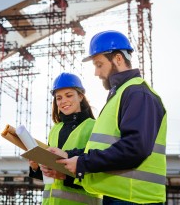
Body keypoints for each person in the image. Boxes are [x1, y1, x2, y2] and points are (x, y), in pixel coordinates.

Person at [52, 30, 167, 204]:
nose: (96, 73)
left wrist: (83, 163)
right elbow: (106, 147)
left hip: (135, 198)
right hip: (120, 196)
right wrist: (67, 154)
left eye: (99, 65)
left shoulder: (138, 93)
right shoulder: (121, 94)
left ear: (118, 59)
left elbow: (135, 148)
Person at [29, 72, 102, 204]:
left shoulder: (95, 127)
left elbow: (98, 170)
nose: (63, 101)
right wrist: (36, 167)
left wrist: (64, 176)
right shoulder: (55, 129)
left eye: (68, 95)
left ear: (80, 96)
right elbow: (50, 176)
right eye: (59, 98)